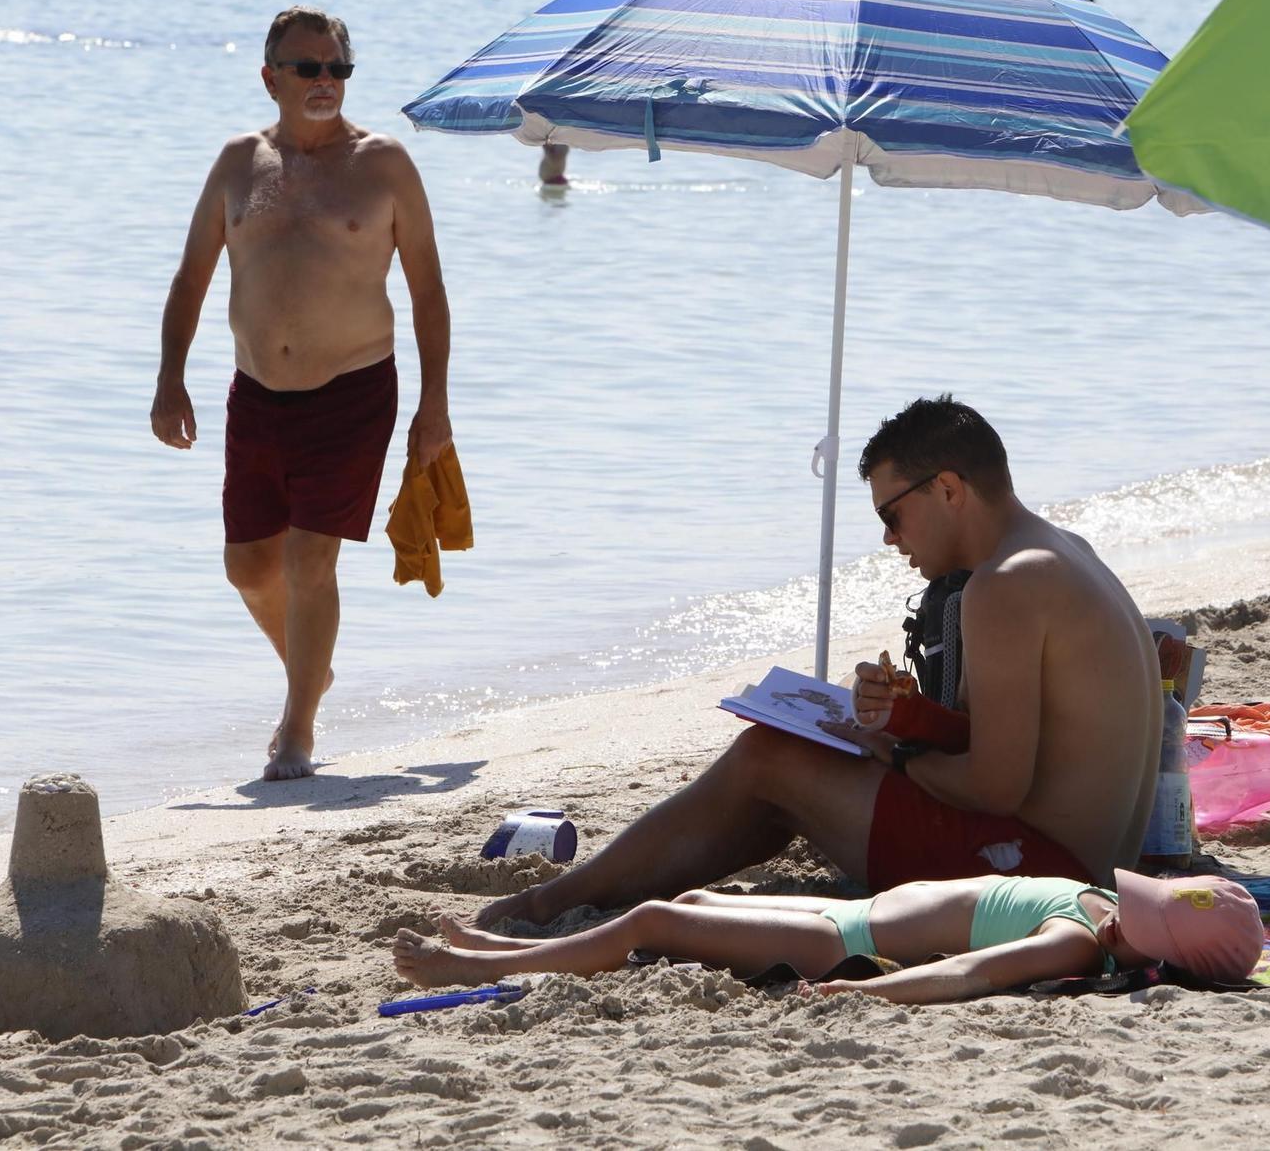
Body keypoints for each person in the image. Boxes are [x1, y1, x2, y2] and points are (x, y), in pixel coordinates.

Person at [475, 396, 1162, 928]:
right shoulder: (1060, 551)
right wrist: (905, 719)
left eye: (893, 514)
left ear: (949, 488)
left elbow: (996, 787)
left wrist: (890, 755)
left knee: (767, 759)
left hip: (1038, 879)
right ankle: (596, 889)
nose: (890, 539)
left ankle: (556, 901)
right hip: (1091, 862)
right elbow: (1014, 751)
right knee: (786, 759)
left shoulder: (1004, 584)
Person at [151, 7, 453, 783]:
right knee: (249, 569)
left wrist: (434, 405)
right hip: (255, 392)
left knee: (311, 559)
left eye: (337, 68)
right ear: (270, 76)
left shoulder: (384, 165)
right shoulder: (236, 162)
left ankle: (296, 730)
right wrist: (169, 377)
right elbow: (192, 277)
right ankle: (308, 672)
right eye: (308, 67)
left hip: (354, 391)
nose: (326, 81)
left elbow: (428, 291)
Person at [398, 871, 1263, 1002]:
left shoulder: (1076, 945)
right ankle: (503, 949)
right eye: (1137, 898)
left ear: (1151, 956)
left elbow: (965, 970)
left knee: (657, 920)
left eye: (1138, 919)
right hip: (854, 906)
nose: (1122, 905)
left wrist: (862, 990)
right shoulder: (1092, 906)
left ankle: (482, 959)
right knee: (692, 896)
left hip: (835, 940)